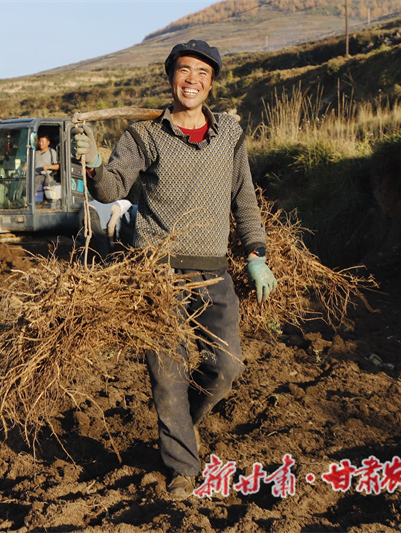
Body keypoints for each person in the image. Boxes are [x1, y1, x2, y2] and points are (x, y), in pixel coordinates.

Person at [73, 39, 278, 499]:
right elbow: (110, 190)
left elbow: (244, 198)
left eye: (202, 73)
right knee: (166, 373)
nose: (192, 80)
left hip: (212, 272)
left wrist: (256, 253)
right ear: (171, 77)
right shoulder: (144, 134)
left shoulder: (230, 134)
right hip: (155, 273)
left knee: (225, 366)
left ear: (211, 83)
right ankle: (184, 469)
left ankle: (178, 424)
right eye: (184, 70)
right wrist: (94, 163)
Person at [34, 133, 59, 207]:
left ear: (48, 143)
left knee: (38, 179)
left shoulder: (52, 152)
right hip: (33, 174)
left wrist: (48, 167)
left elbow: (57, 166)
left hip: (45, 175)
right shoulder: (35, 153)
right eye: (40, 142)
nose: (41, 144)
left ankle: (33, 196)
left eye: (43, 142)